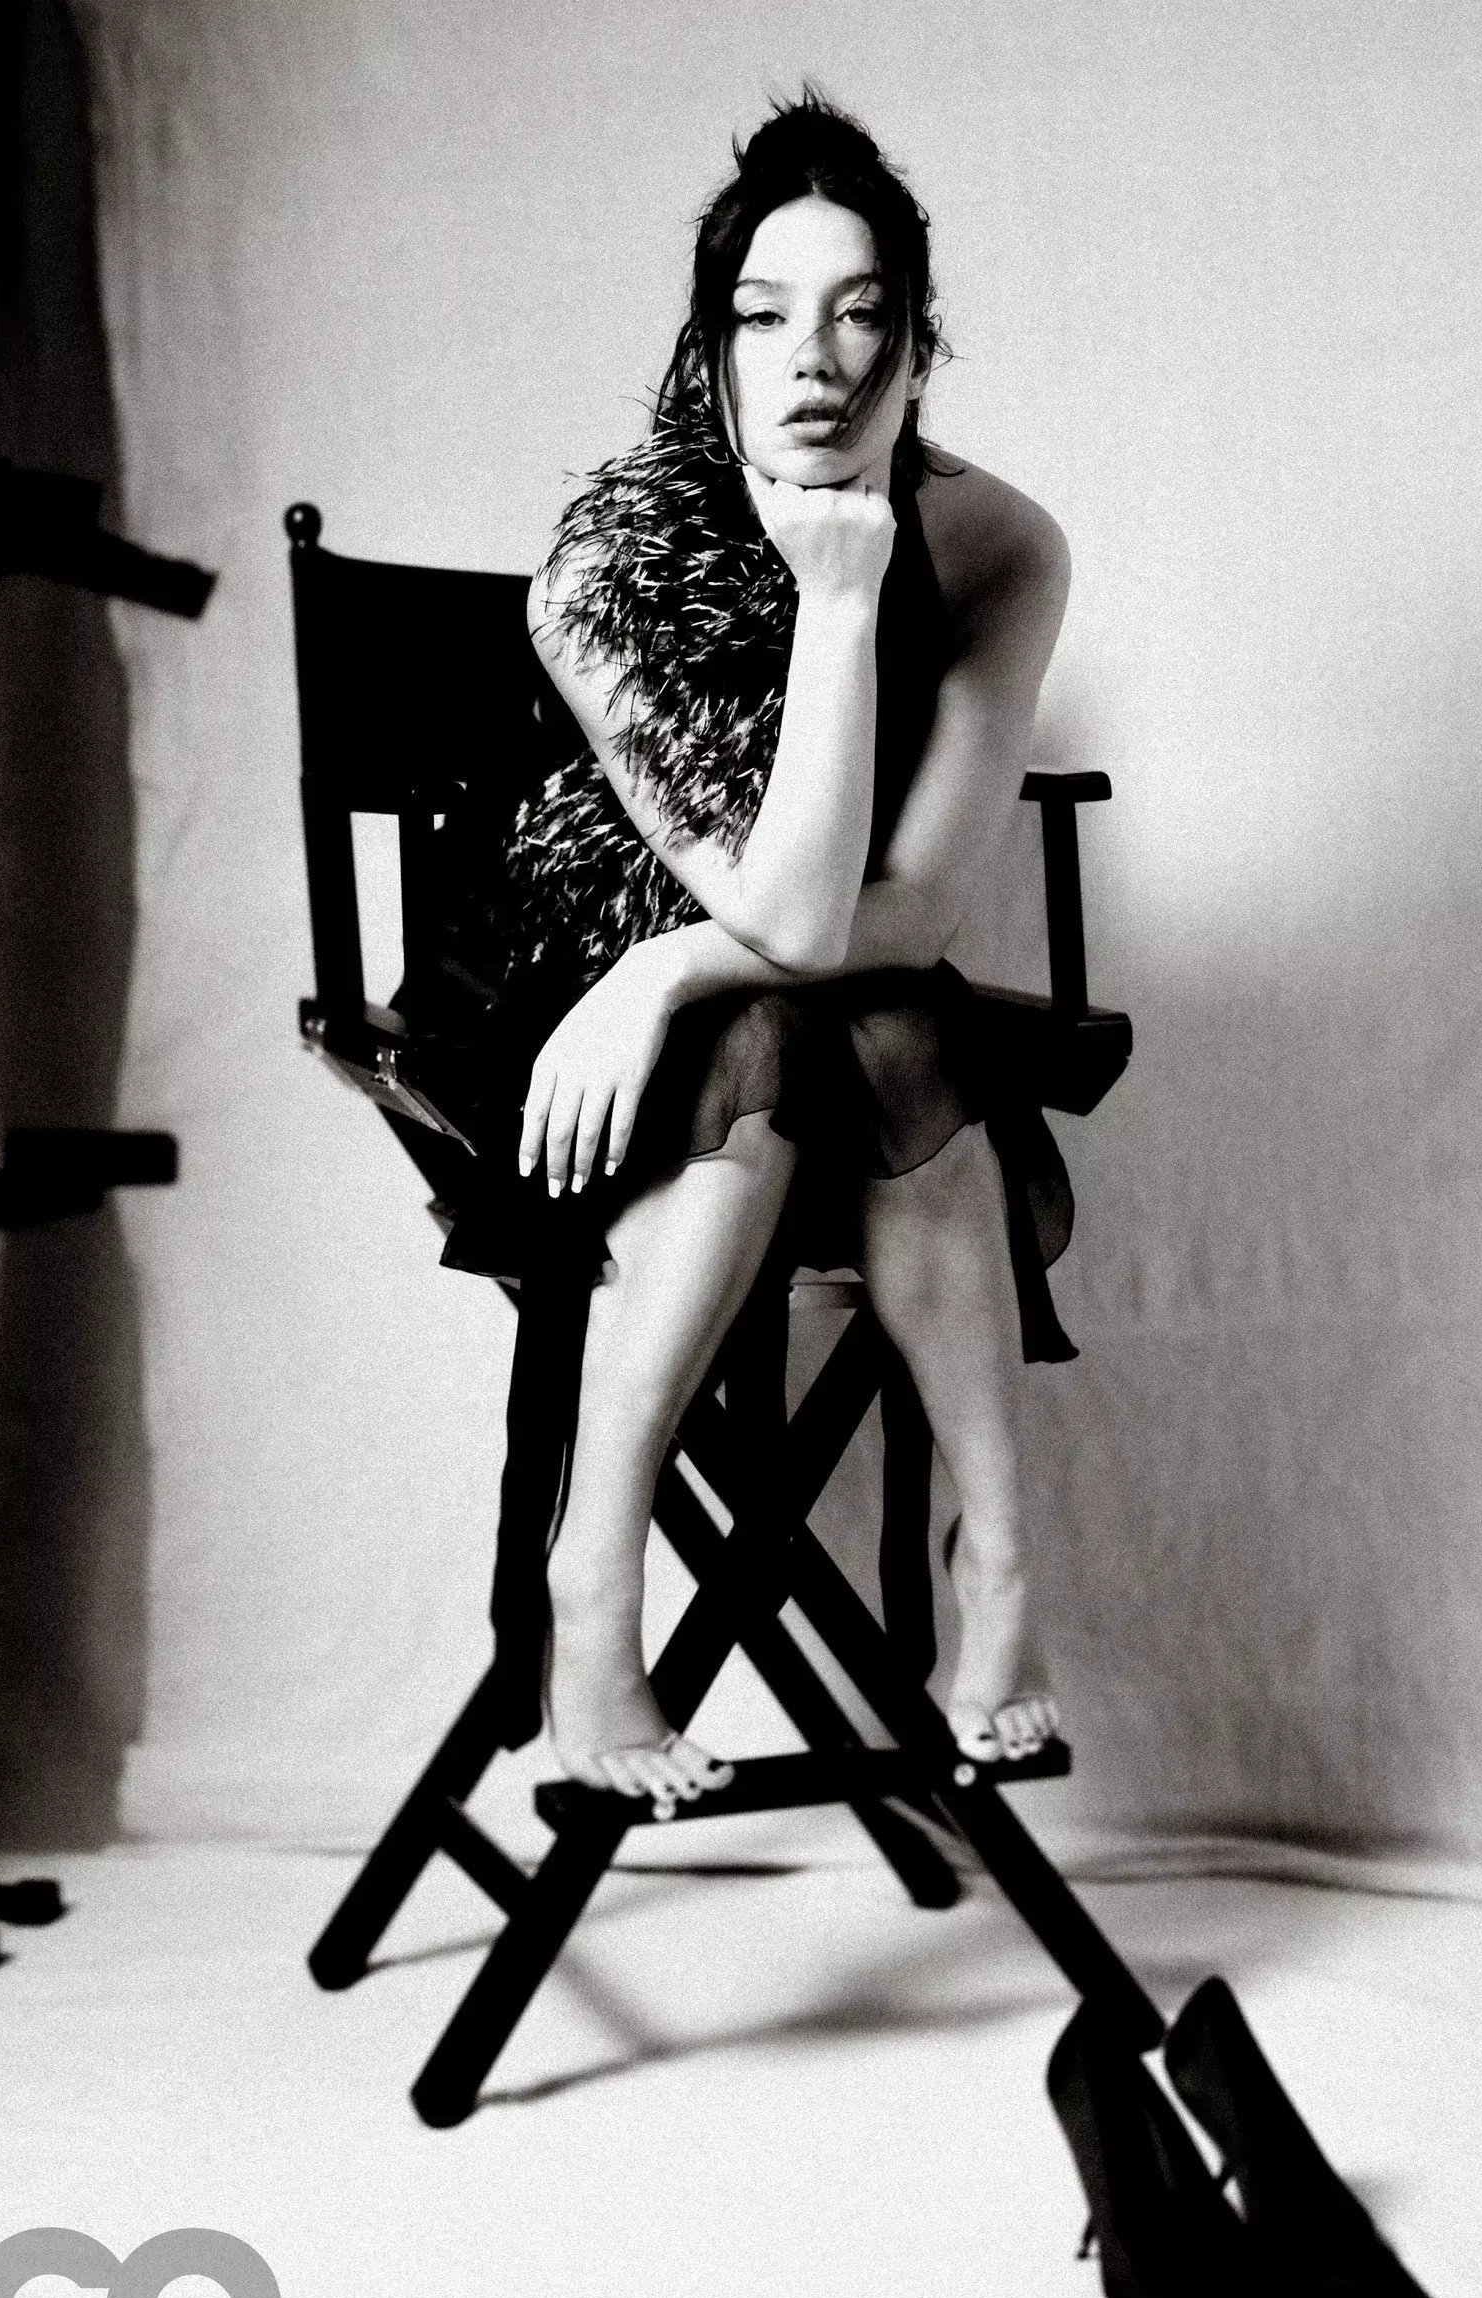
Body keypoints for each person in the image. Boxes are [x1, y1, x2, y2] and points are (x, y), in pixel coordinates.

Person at [465, 94, 1076, 1810]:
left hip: (784, 992)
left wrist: (679, 969)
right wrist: (835, 603)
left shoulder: (1004, 544)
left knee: (884, 1026)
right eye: (761, 314)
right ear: (708, 345)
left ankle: (998, 1561)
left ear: (917, 345)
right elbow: (794, 917)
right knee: (798, 1029)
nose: (812, 358)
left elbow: (906, 907)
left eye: (861, 312)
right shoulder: (603, 568)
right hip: (574, 1004)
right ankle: (595, 1574)